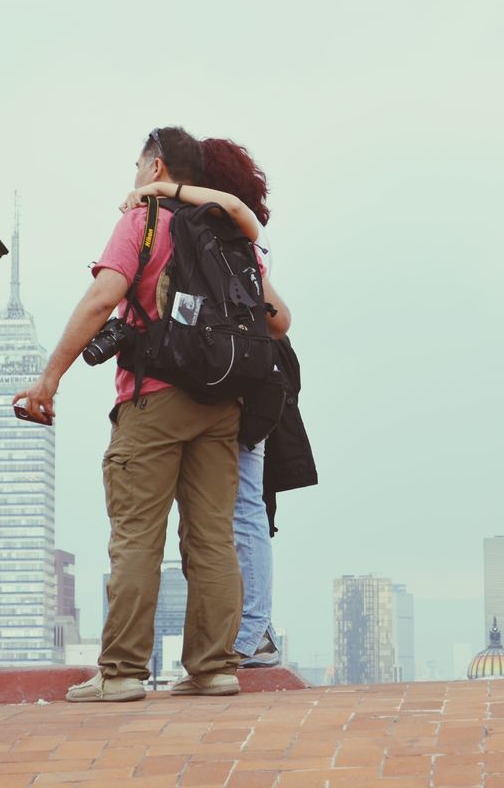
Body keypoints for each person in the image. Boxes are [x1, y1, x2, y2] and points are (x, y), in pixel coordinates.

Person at [16, 126, 244, 703]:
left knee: (138, 537)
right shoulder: (224, 231)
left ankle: (121, 673)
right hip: (221, 402)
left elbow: (101, 298)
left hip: (153, 397)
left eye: (137, 164)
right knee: (213, 538)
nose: (134, 174)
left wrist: (51, 377)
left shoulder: (144, 221)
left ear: (156, 167)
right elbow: (275, 317)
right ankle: (214, 667)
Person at [123, 137, 309, 670]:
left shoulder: (221, 229)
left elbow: (279, 316)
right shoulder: (225, 236)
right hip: (243, 379)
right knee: (230, 512)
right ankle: (253, 627)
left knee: (240, 507)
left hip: (230, 384)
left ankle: (251, 632)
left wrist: (161, 188)